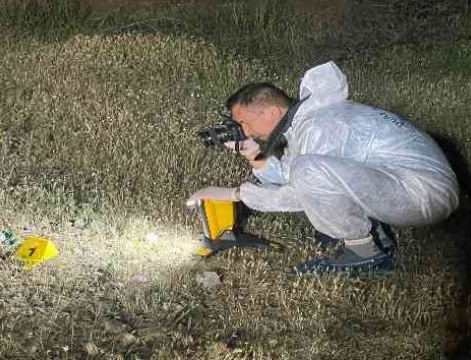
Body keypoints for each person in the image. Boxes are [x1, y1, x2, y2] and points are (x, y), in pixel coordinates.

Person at [186, 61, 459, 274]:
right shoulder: (309, 121)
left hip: (424, 195)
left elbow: (299, 189)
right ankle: (375, 233)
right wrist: (254, 155)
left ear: (270, 113)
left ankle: (366, 255)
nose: (244, 131)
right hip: (406, 184)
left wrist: (236, 194)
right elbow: (290, 174)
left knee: (308, 171)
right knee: (307, 170)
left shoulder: (322, 125)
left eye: (244, 123)